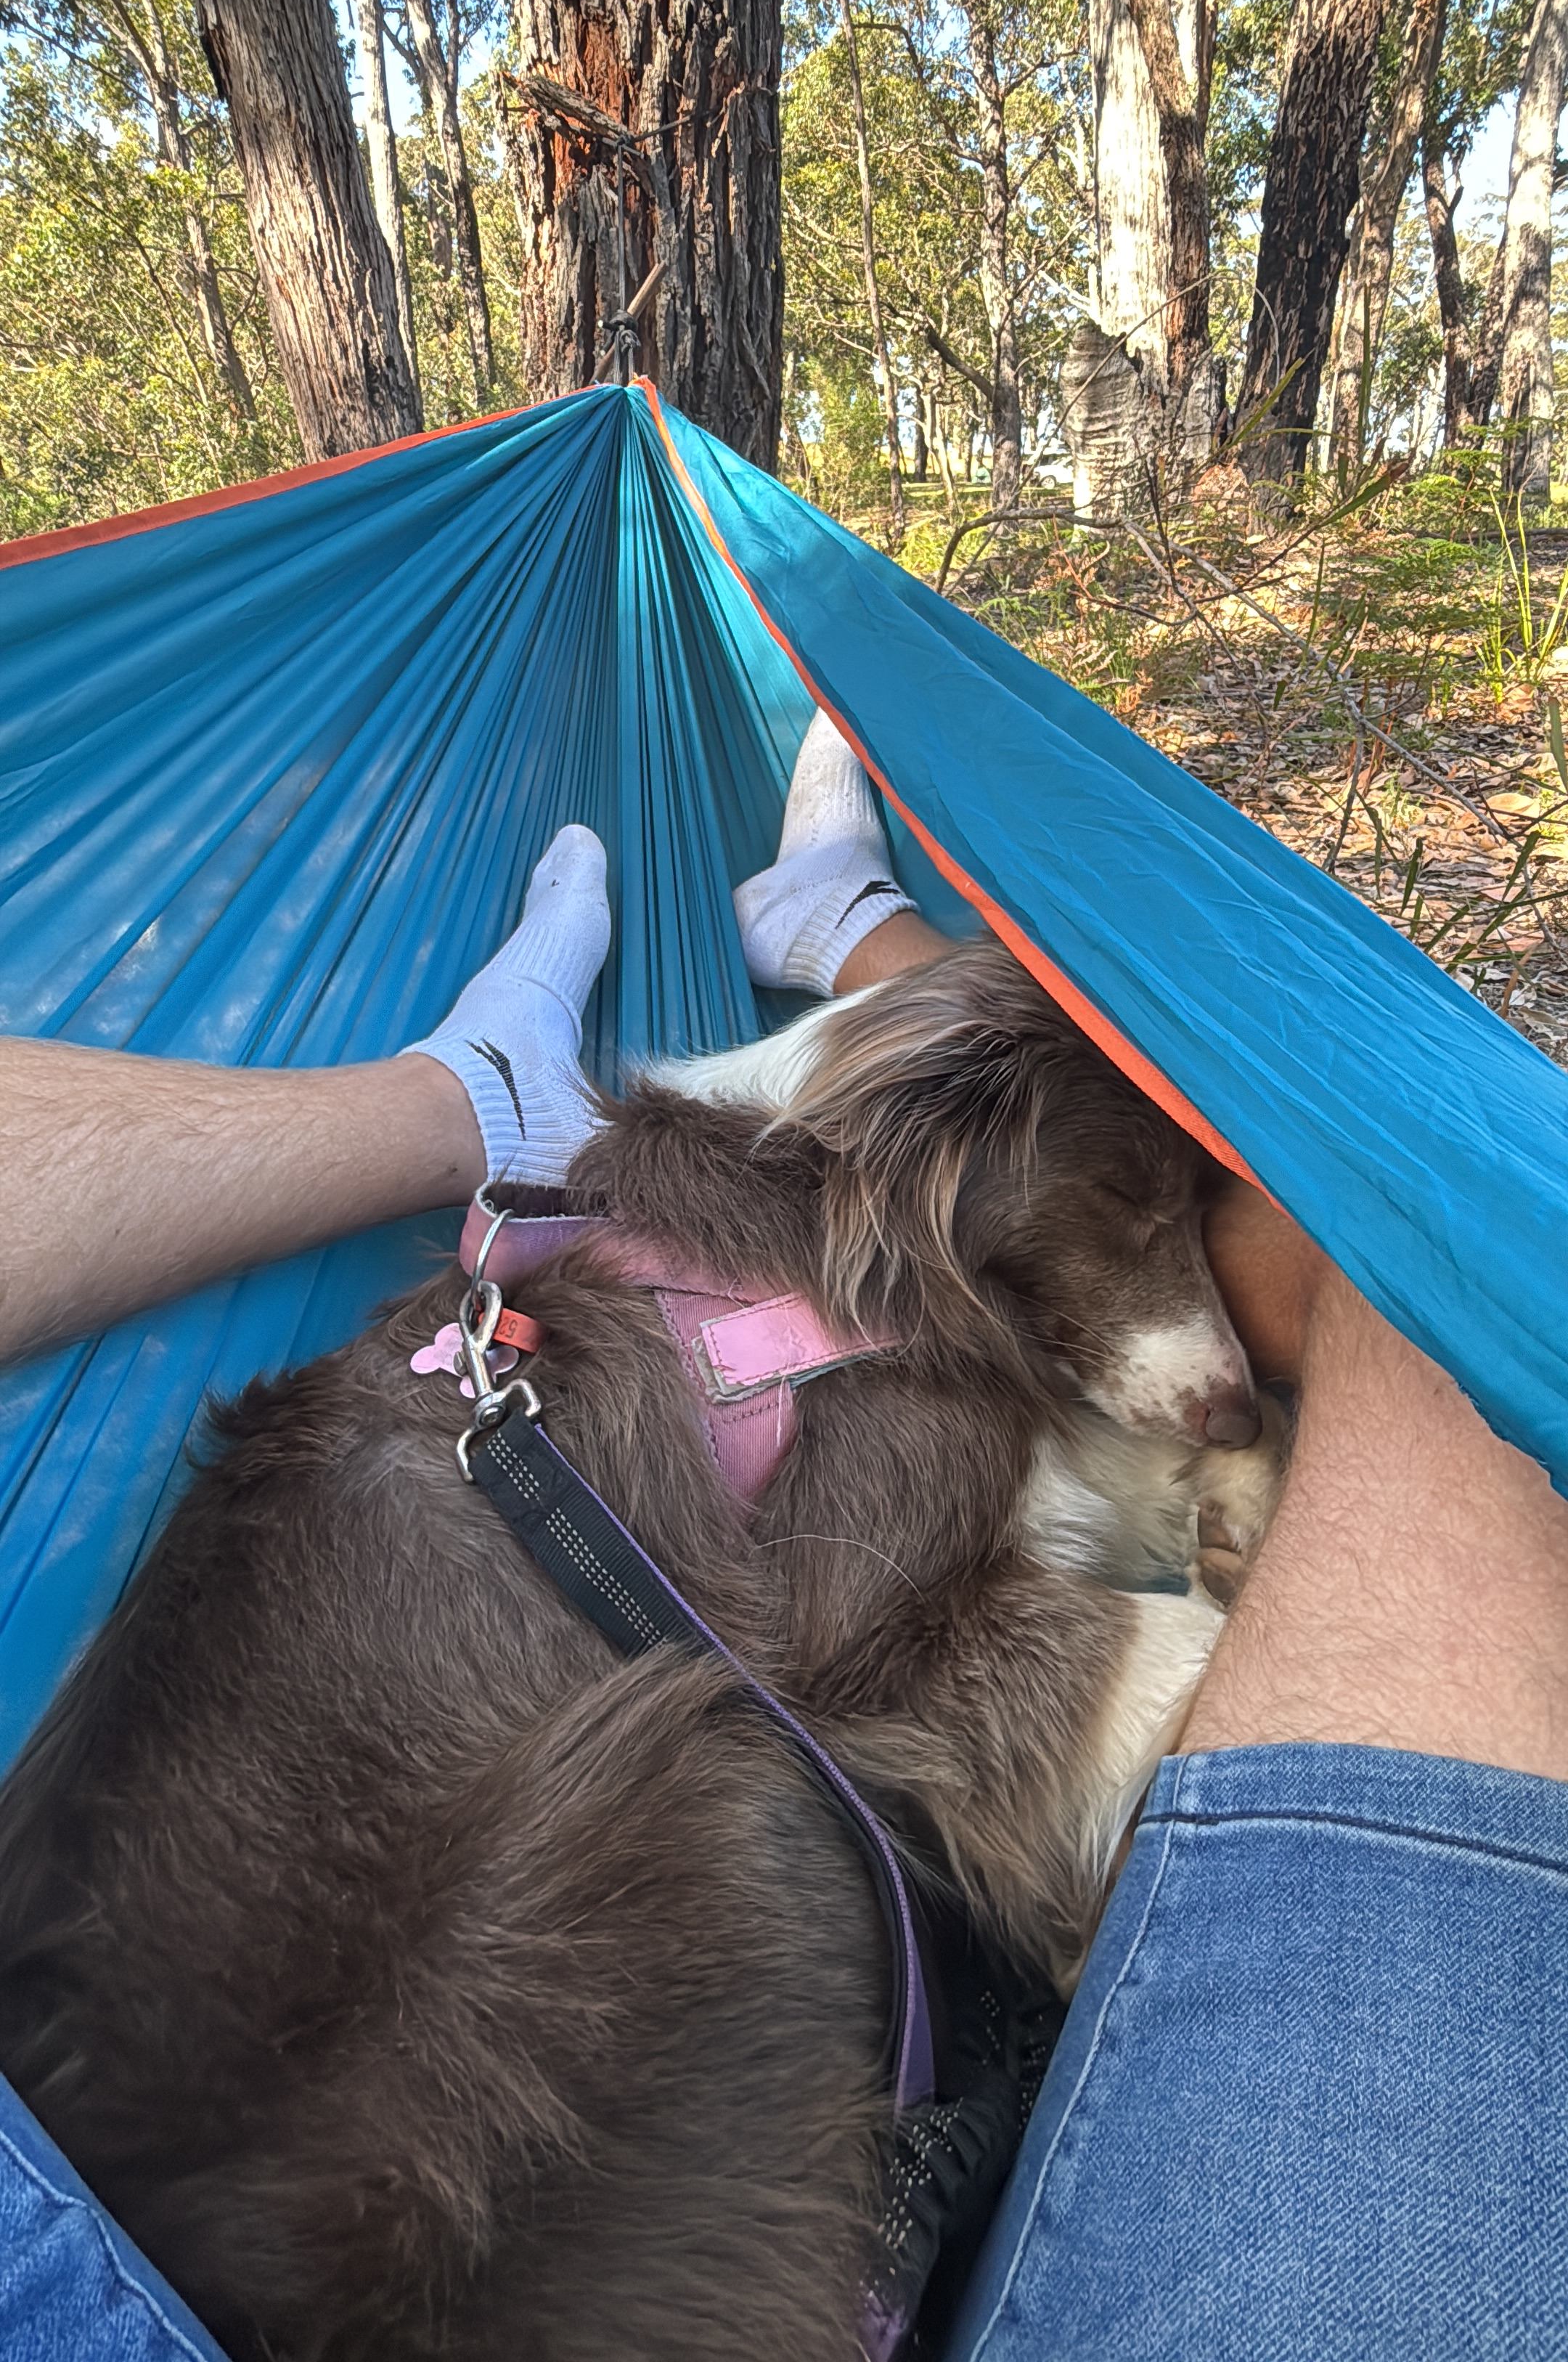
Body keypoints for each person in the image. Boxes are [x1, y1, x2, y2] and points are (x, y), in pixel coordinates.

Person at [4, 722, 1567, 2361]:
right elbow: (989, 1709)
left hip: (222, 2087)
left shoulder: (755, 1291)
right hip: (421, 2216)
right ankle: (831, 932)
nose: (1211, 1378)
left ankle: (725, 981)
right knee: (1452, 1277)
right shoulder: (839, 1336)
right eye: (1140, 1221)